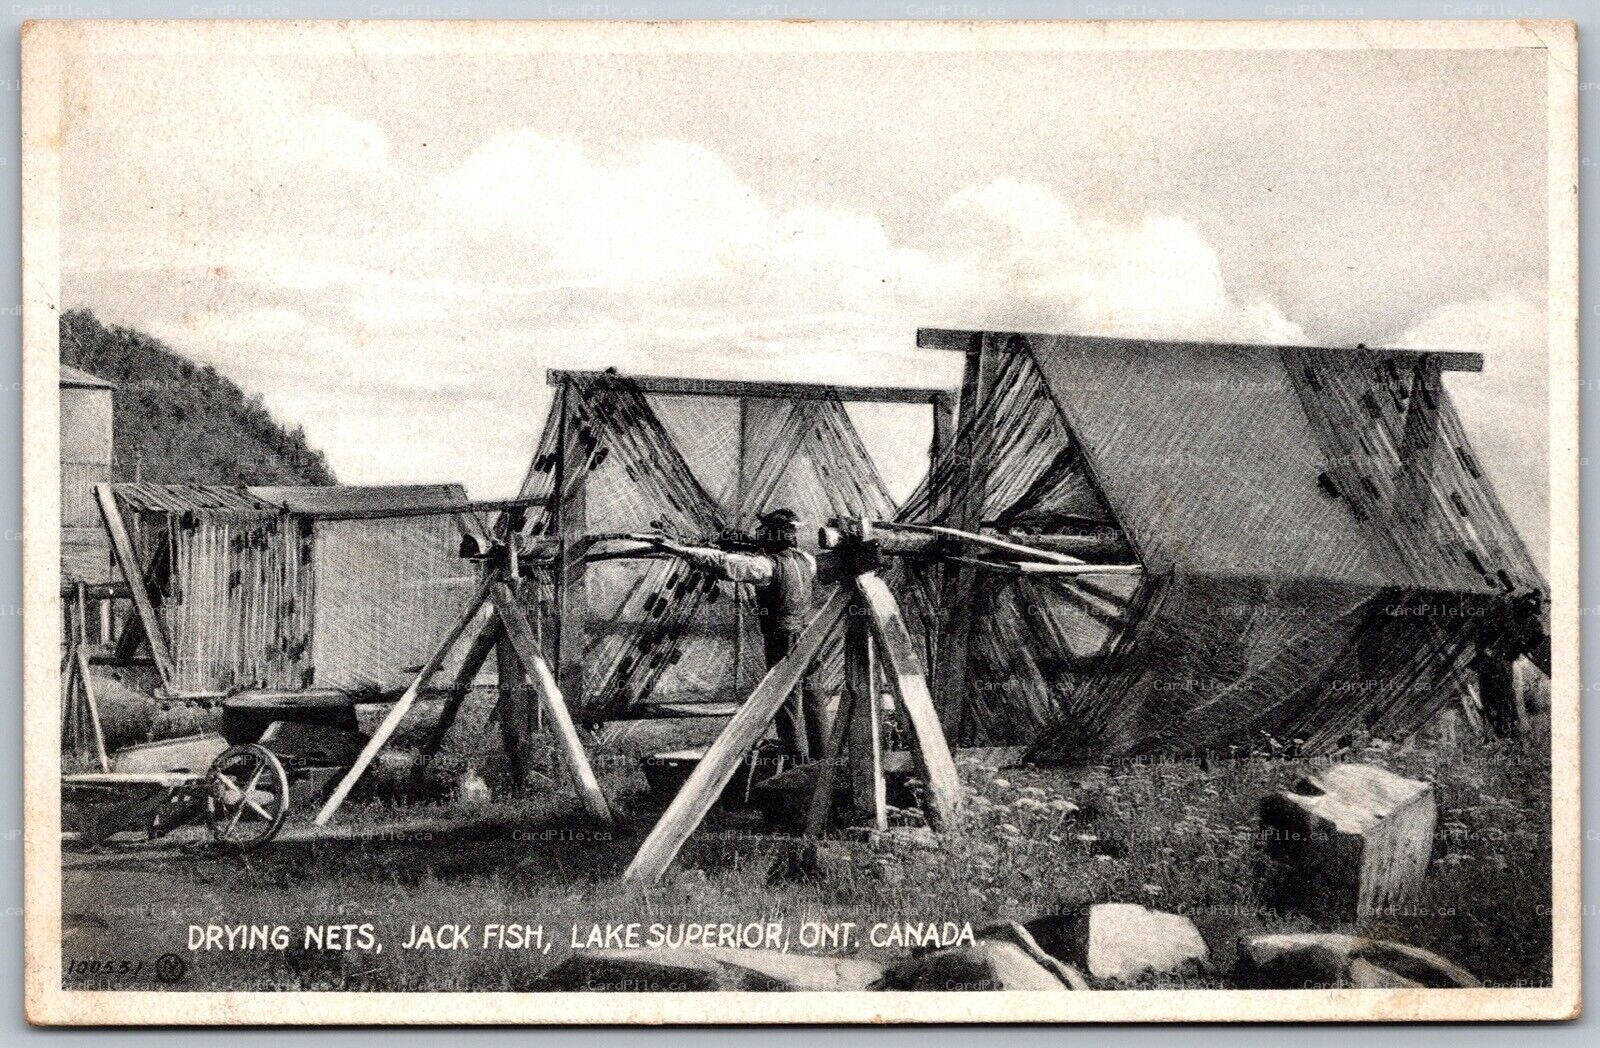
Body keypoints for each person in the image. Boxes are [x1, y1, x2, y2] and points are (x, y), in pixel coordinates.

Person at [650, 508, 830, 763]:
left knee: (786, 698)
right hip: (808, 633)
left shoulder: (765, 565)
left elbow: (724, 564)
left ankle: (796, 762)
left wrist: (678, 549)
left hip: (783, 637)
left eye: (764, 531)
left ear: (773, 534)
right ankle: (823, 760)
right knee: (813, 696)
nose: (759, 535)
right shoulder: (805, 561)